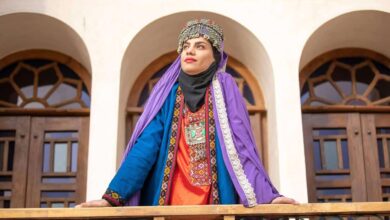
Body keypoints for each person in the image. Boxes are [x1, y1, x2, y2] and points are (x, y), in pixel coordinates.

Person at [76, 18, 297, 208]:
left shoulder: (224, 87)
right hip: (170, 204)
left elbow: (240, 145)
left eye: (200, 46)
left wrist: (268, 197)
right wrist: (113, 196)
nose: (189, 51)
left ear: (215, 56)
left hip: (217, 204)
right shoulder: (169, 95)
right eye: (185, 46)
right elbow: (145, 147)